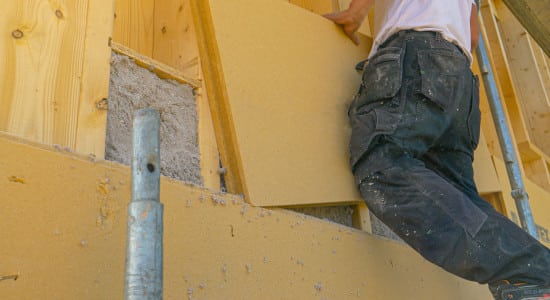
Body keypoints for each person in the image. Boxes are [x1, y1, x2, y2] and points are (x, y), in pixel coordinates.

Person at [324, 1, 550, 299]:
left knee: (381, 164)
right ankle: (537, 276)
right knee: (455, 196)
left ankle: (534, 273)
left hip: (418, 55)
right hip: (460, 80)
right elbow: (472, 38)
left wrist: (355, 15)